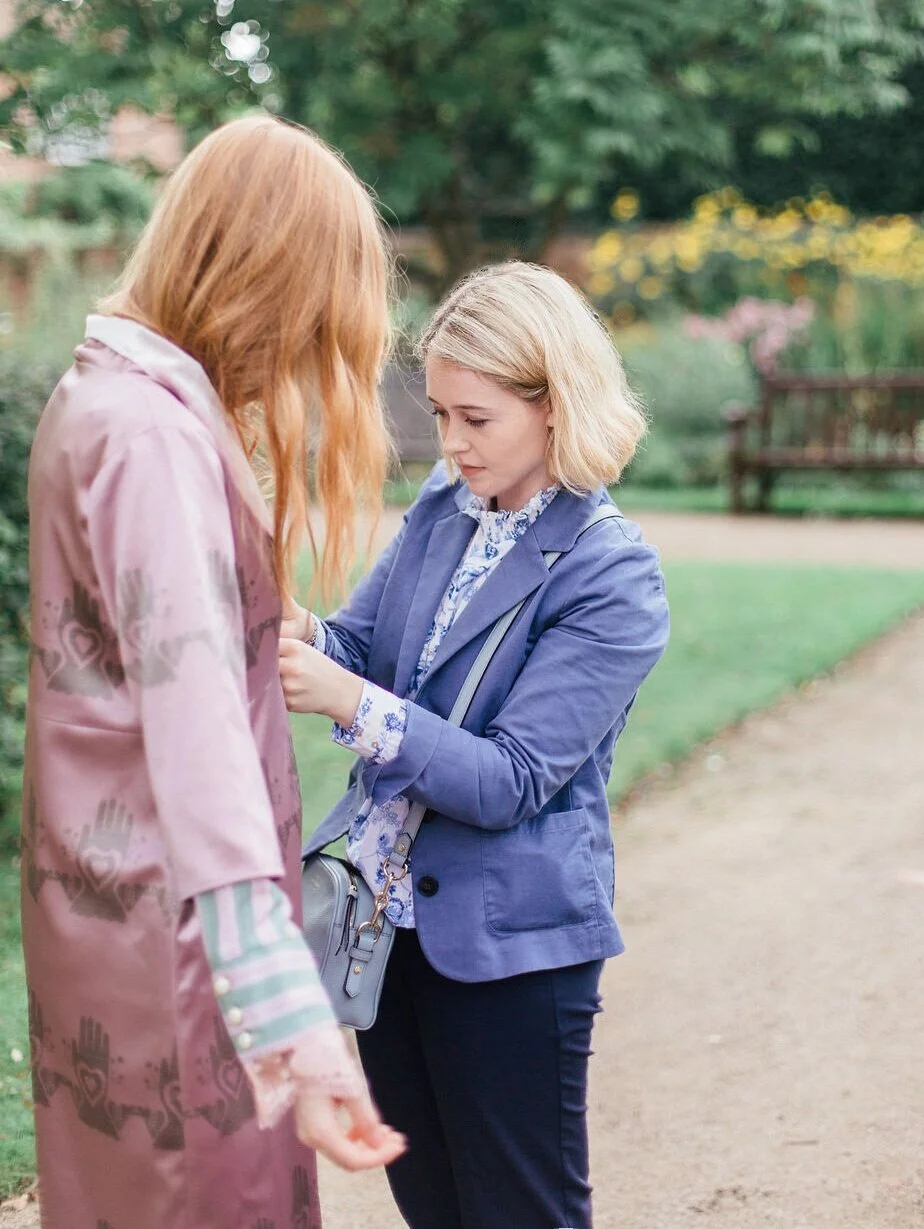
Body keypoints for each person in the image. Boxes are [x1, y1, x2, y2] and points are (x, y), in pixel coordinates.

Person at [22, 114, 405, 1229]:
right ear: (264, 279)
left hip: (107, 919)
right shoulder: (149, 435)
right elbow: (197, 738)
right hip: (186, 942)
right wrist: (295, 1021)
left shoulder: (94, 398)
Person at [278, 261, 670, 1229]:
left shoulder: (611, 575)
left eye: (475, 418)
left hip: (511, 949)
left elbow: (509, 779)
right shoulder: (444, 510)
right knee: (435, 1210)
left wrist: (347, 698)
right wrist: (298, 629)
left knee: (523, 1214)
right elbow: (364, 646)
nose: (449, 443)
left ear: (553, 404)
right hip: (388, 935)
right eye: (440, 413)